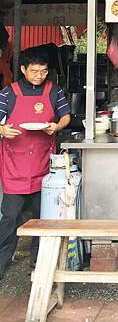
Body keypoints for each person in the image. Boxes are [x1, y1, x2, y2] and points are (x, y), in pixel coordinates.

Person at [0, 47, 71, 279]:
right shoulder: (8, 93)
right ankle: (2, 260)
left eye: (43, 71)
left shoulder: (53, 90)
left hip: (43, 164)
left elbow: (65, 116)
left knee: (43, 215)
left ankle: (39, 260)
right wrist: (2, 129)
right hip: (14, 165)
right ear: (23, 69)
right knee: (10, 216)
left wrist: (57, 126)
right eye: (34, 71)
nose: (39, 76)